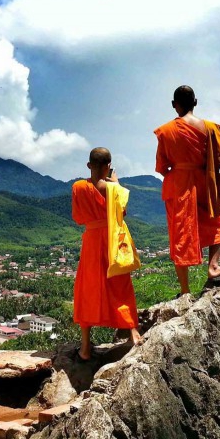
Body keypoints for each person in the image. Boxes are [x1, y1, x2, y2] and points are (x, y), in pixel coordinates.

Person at [154, 85, 220, 296]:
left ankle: (184, 290)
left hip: (179, 186)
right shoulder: (211, 129)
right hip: (205, 182)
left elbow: (162, 167)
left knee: (180, 234)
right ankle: (214, 267)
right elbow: (217, 162)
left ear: (174, 105)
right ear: (195, 102)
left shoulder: (166, 131)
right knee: (216, 220)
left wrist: (181, 171)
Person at [72, 147, 142, 361]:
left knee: (88, 287)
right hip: (113, 240)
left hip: (92, 241)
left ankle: (85, 347)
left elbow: (77, 217)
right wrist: (116, 184)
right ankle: (133, 334)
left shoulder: (78, 187)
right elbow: (123, 213)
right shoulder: (114, 189)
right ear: (109, 166)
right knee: (120, 285)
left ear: (88, 165)